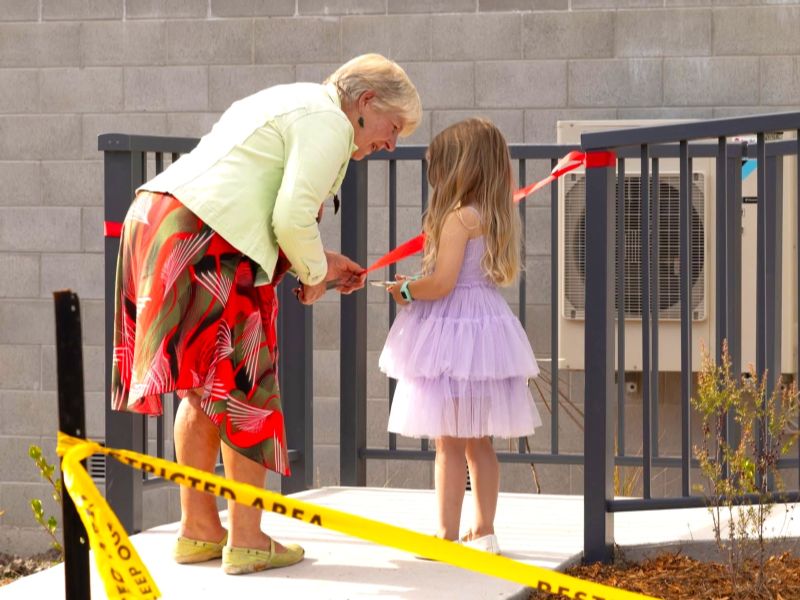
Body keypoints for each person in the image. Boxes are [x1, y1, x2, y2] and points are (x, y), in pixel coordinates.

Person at [110, 54, 421, 575]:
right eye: (393, 128)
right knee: (246, 388)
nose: (391, 144)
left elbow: (259, 200)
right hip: (205, 235)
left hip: (160, 220)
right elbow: (291, 217)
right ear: (366, 102)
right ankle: (249, 539)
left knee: (203, 387)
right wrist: (315, 272)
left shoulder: (292, 99)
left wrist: (318, 265)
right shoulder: (329, 120)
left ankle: (199, 529)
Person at [379, 118, 541, 555]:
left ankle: (446, 535)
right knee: (478, 442)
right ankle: (484, 532)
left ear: (459, 169)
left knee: (447, 443)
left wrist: (406, 289)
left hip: (454, 335)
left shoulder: (457, 219)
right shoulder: (491, 216)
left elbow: (442, 283)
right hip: (485, 330)